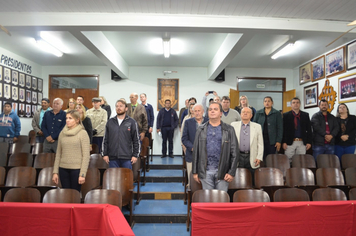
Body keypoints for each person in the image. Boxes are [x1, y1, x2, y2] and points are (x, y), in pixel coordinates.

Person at [192, 102, 239, 192]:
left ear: (221, 113)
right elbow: (196, 152)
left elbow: (235, 152)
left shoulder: (229, 129)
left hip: (223, 172)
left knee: (221, 201)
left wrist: (231, 172)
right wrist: (195, 171)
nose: (212, 111)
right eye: (210, 109)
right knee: (208, 200)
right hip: (205, 172)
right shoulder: (201, 129)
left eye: (215, 109)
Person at [52, 110, 90, 192]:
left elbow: (86, 156)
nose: (67, 120)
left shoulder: (82, 133)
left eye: (70, 118)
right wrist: (55, 172)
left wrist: (82, 174)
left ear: (77, 120)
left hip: (76, 170)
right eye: (66, 118)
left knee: (74, 195)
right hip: (63, 169)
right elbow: (58, 153)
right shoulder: (62, 133)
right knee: (66, 195)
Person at [102, 99, 140, 169]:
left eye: (121, 106)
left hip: (127, 158)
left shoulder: (132, 122)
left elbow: (136, 140)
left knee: (126, 179)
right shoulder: (110, 122)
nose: (118, 108)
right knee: (113, 179)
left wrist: (135, 155)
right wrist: (105, 154)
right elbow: (105, 139)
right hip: (112, 158)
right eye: (117, 106)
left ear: (126, 108)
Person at [231, 107, 263, 185]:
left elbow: (260, 143)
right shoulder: (233, 125)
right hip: (238, 156)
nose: (245, 113)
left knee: (252, 180)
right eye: (243, 112)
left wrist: (259, 157)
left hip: (252, 156)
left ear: (251, 115)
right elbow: (230, 142)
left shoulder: (257, 126)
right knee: (238, 180)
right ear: (240, 114)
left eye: (247, 112)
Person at [182, 104, 208, 186]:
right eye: (195, 111)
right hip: (191, 154)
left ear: (203, 111)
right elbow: (184, 139)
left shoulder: (209, 122)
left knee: (205, 181)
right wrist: (193, 147)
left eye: (199, 111)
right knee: (192, 182)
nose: (197, 113)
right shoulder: (188, 122)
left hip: (206, 156)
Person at [282, 97, 312, 162]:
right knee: (288, 160)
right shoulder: (286, 115)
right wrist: (284, 142)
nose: (296, 104)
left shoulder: (305, 115)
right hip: (289, 142)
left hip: (301, 142)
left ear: (300, 104)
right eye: (294, 103)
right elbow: (283, 130)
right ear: (291, 105)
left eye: (297, 103)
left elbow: (309, 129)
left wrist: (309, 142)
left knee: (300, 161)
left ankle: (299, 172)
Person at [254, 96, 283, 162]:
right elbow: (254, 126)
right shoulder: (258, 113)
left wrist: (278, 141)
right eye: (265, 101)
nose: (267, 103)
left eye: (269, 101)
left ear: (272, 103)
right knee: (261, 158)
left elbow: (280, 128)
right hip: (260, 139)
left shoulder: (277, 113)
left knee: (271, 159)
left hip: (272, 141)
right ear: (263, 103)